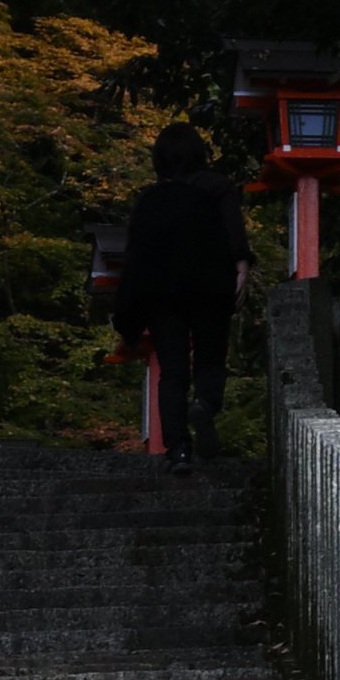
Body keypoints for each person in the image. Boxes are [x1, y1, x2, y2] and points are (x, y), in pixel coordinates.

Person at [111, 121, 252, 469]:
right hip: (209, 288)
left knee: (172, 370)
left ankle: (178, 450)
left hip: (163, 296)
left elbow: (136, 257)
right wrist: (242, 269)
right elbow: (234, 236)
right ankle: (205, 403)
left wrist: (128, 313)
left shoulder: (151, 201)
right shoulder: (218, 189)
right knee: (210, 357)